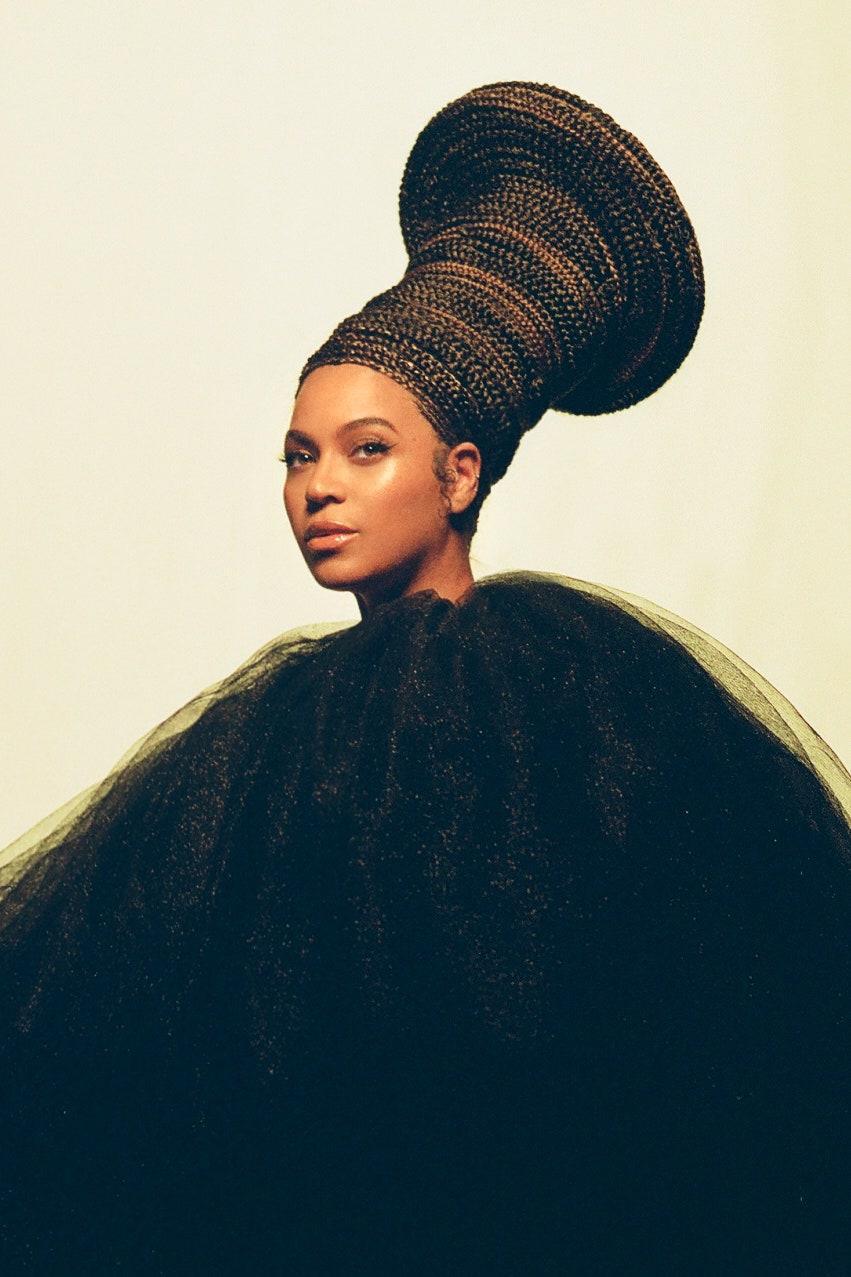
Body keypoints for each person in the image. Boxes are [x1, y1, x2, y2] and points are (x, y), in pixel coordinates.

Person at [1, 82, 849, 1275]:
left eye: (366, 449)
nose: (319, 487)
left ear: (457, 475)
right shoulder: (268, 754)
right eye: (298, 454)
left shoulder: (582, 719)